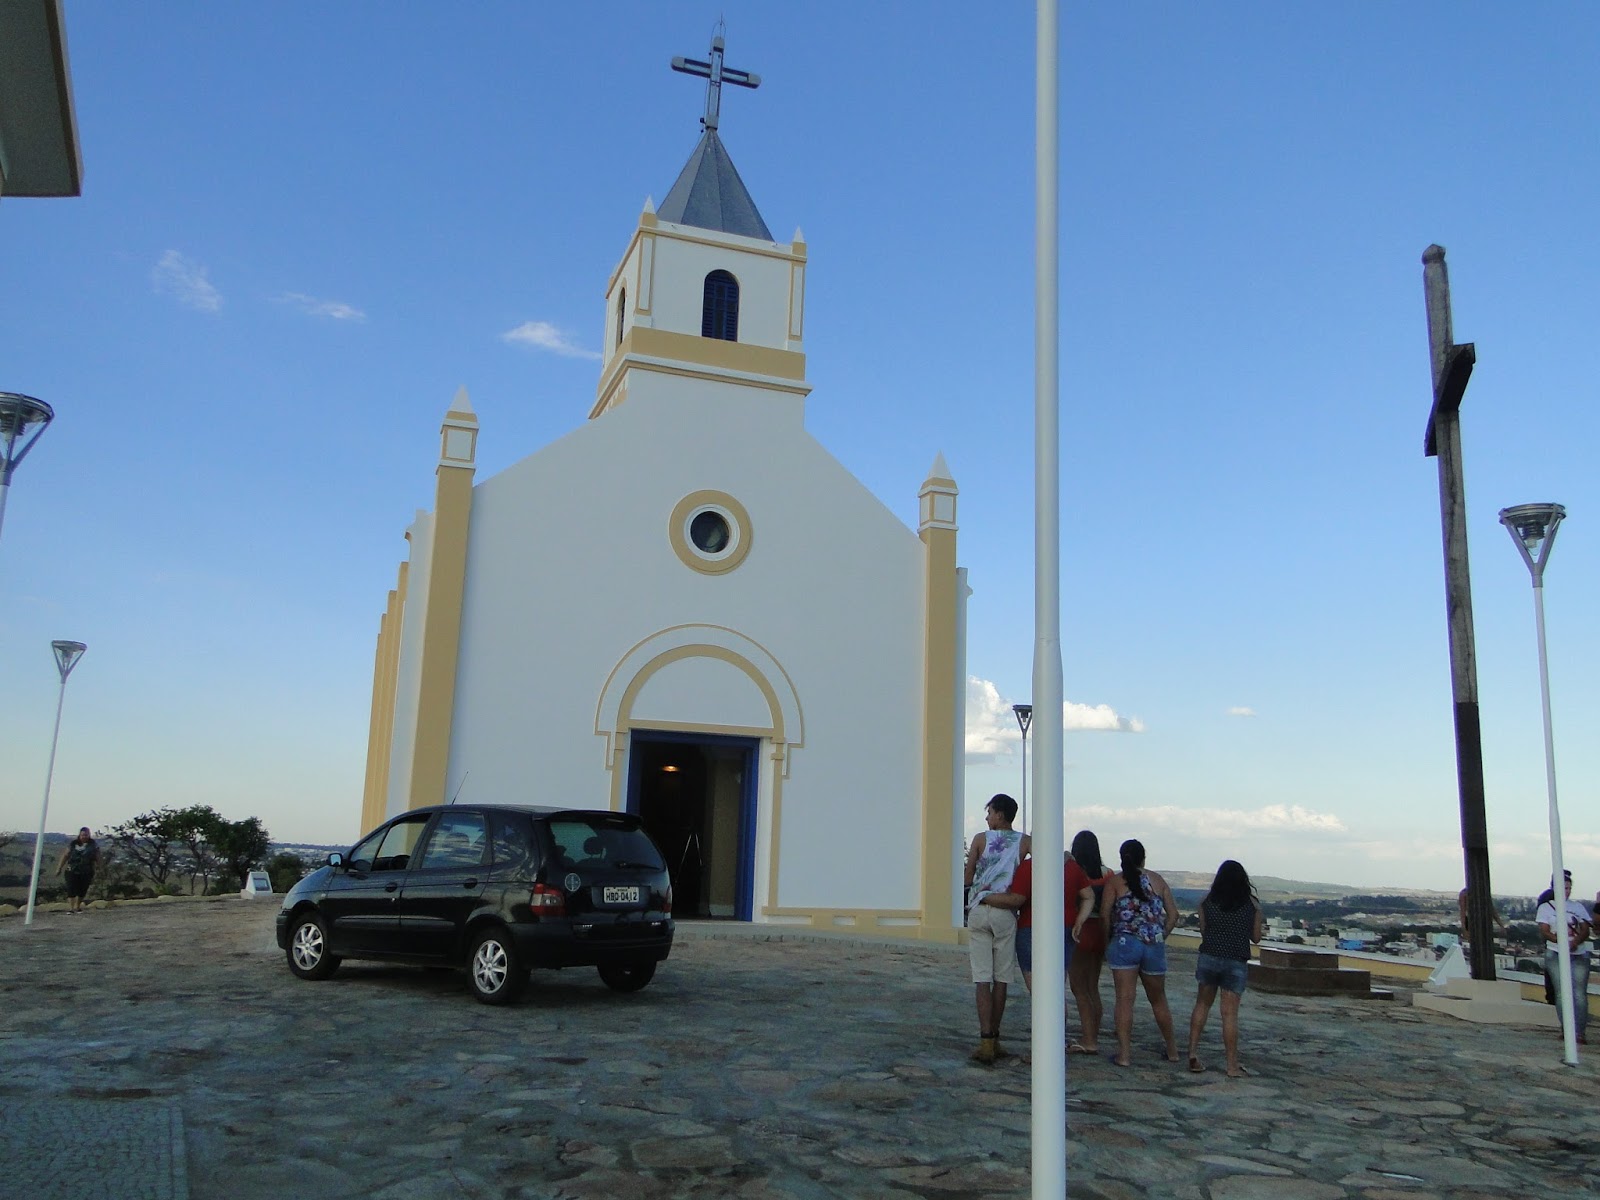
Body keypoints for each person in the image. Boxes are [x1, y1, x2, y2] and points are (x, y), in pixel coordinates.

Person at [962, 794, 1029, 1065]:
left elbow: (968, 877)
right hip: (1006, 911)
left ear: (1000, 814)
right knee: (1001, 979)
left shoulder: (980, 839)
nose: (987, 817)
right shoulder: (1024, 841)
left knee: (982, 979)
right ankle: (996, 1038)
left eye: (989, 812)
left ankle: (985, 1040)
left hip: (980, 909)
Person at [1102, 838, 1179, 1067]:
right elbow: (1173, 915)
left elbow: (1106, 915)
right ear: (1144, 857)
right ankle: (1173, 1050)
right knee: (1159, 999)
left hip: (1125, 942)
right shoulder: (1157, 880)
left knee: (1125, 1001)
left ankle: (1124, 1055)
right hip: (1152, 944)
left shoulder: (1115, 883)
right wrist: (1160, 935)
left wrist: (1108, 941)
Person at [1185, 860, 1265, 1078]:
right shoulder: (1253, 905)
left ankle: (1192, 1053)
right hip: (1235, 961)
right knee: (1229, 1015)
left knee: (1202, 1005)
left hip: (1209, 956)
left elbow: (1203, 930)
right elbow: (1256, 938)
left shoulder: (1207, 901)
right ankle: (1231, 1065)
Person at [1536, 870, 1592, 1045]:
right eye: (1563, 888)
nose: (1566, 891)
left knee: (1579, 994)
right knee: (1561, 993)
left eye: (1569, 888)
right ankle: (1566, 1029)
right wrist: (1559, 940)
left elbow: (1585, 928)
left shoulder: (1578, 907)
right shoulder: (1546, 908)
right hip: (1555, 952)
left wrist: (1574, 942)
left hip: (1578, 953)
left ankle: (1580, 1032)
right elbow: (1544, 930)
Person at [1066, 830, 1109, 1055]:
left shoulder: (1074, 872)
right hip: (1100, 932)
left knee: (1079, 988)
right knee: (1093, 987)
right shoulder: (1108, 874)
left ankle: (1088, 1039)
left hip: (1080, 931)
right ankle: (1092, 1032)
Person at [55, 827, 100, 914]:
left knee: (82, 889)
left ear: (89, 835)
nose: (84, 837)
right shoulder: (73, 844)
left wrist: (99, 867)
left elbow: (98, 857)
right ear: (79, 835)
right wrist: (59, 868)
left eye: (86, 835)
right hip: (72, 870)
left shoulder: (93, 845)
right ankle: (71, 908)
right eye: (83, 835)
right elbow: (65, 855)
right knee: (71, 888)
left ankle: (78, 907)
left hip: (86, 870)